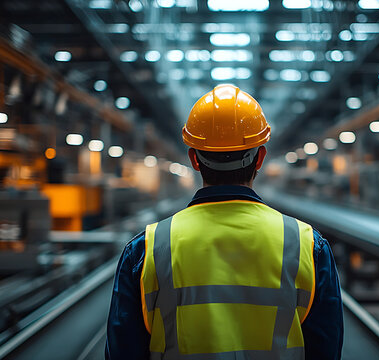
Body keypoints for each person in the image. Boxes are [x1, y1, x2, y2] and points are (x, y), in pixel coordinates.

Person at [106, 85, 343, 359]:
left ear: (194, 159)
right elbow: (327, 350)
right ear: (261, 159)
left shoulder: (146, 249)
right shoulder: (307, 246)